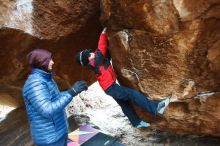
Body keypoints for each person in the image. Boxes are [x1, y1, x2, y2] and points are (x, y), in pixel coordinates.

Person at [75, 28, 170, 128]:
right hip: (111, 87)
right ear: (88, 60)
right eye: (89, 55)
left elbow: (97, 52)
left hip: (108, 88)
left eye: (90, 52)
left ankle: (136, 122)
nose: (92, 53)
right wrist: (103, 33)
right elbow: (101, 48)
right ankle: (155, 108)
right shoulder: (97, 60)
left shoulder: (92, 63)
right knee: (132, 94)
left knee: (125, 104)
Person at [22, 49, 88, 146]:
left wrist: (73, 90)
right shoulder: (35, 84)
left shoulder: (47, 79)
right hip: (50, 138)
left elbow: (55, 98)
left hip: (59, 132)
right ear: (41, 62)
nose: (52, 62)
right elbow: (47, 110)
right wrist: (71, 92)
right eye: (49, 60)